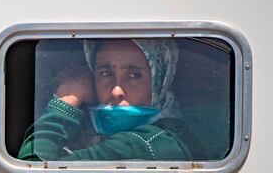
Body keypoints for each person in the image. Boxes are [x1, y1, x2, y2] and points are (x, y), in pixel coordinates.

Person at [18, 38, 200, 161]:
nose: (116, 91)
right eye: (106, 73)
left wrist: (66, 99)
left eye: (134, 75)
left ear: (160, 81)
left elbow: (31, 169)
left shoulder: (142, 144)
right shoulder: (95, 131)